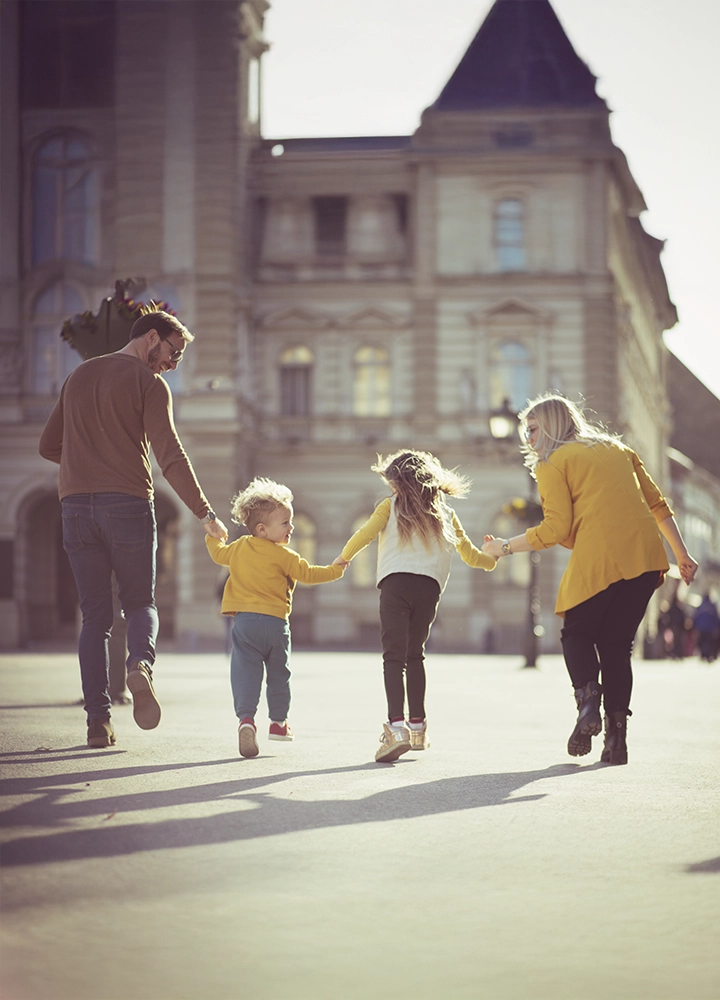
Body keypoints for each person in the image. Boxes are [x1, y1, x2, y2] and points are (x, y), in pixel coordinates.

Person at [39, 308, 228, 749]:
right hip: (126, 504)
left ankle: (97, 723)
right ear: (150, 338)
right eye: (173, 352)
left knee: (95, 618)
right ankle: (140, 665)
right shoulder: (149, 384)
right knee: (140, 602)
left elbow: (48, 445)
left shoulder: (79, 376)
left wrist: (84, 461)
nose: (172, 364)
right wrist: (205, 513)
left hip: (75, 509)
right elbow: (171, 457)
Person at [482, 393, 697, 765]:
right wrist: (682, 555)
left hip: (601, 554)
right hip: (646, 558)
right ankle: (617, 741)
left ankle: (588, 699)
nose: (528, 439)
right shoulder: (618, 448)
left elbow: (555, 528)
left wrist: (503, 547)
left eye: (533, 429)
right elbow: (658, 505)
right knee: (616, 645)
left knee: (577, 633)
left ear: (551, 425)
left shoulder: (552, 462)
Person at [337, 450, 496, 763]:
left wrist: (343, 558)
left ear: (398, 482)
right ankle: (418, 728)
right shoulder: (445, 513)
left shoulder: (389, 506)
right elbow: (473, 556)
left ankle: (396, 729)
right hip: (429, 587)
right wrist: (495, 558)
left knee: (393, 657)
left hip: (395, 585)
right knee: (415, 654)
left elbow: (365, 534)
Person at [206, 477, 345, 758]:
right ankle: (279, 723)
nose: (291, 527)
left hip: (244, 624)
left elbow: (218, 555)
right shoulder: (286, 556)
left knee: (245, 671)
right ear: (263, 528)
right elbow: (310, 574)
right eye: (285, 523)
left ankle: (246, 720)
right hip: (276, 624)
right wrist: (336, 570)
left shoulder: (240, 547)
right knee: (279, 674)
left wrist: (213, 536)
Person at [693, 593, 719, 662]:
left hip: (701, 628)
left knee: (702, 641)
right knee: (709, 642)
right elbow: (716, 617)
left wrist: (696, 626)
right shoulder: (712, 606)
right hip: (710, 628)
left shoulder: (700, 606)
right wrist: (717, 627)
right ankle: (709, 655)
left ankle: (703, 655)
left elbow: (696, 617)